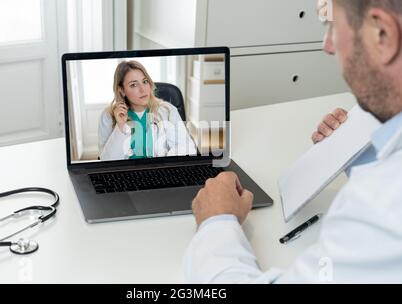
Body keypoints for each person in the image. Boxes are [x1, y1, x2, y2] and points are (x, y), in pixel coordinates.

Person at [184, 0, 402, 283]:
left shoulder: (381, 206)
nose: (328, 46)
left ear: (383, 33)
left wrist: (217, 220)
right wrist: (361, 150)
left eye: (332, 25)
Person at [98, 60, 197, 161]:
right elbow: (106, 161)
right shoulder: (108, 116)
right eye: (133, 85)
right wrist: (120, 127)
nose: (143, 89)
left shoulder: (167, 111)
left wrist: (163, 164)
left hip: (160, 171)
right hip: (125, 173)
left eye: (145, 81)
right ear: (122, 90)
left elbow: (187, 148)